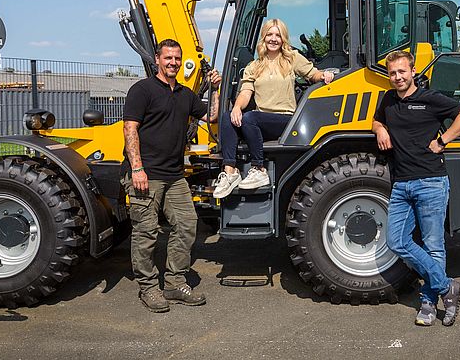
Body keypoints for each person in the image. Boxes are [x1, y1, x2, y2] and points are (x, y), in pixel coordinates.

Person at [372, 50, 460, 327]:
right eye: (392, 73)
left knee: (433, 246)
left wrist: (443, 141)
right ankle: (447, 287)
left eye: (401, 72)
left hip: (431, 181)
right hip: (401, 184)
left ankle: (429, 302)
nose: (397, 77)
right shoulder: (388, 99)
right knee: (397, 241)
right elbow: (377, 119)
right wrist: (380, 129)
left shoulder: (430, 99)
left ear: (413, 71)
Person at [122, 39, 221, 313]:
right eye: (168, 58)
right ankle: (148, 288)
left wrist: (215, 89)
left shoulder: (185, 95)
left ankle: (175, 283)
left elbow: (211, 117)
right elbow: (130, 129)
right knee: (146, 232)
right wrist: (137, 169)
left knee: (187, 225)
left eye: (177, 58)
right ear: (157, 59)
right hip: (147, 174)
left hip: (174, 175)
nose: (173, 63)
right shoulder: (142, 90)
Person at [213, 18, 334, 198]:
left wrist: (324, 75)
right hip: (259, 122)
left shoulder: (292, 58)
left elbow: (312, 73)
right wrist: (237, 107)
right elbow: (246, 92)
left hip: (285, 120)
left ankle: (259, 169)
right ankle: (230, 172)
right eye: (269, 34)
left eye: (278, 35)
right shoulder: (253, 66)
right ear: (264, 37)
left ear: (283, 39)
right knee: (227, 117)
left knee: (249, 118)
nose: (273, 39)